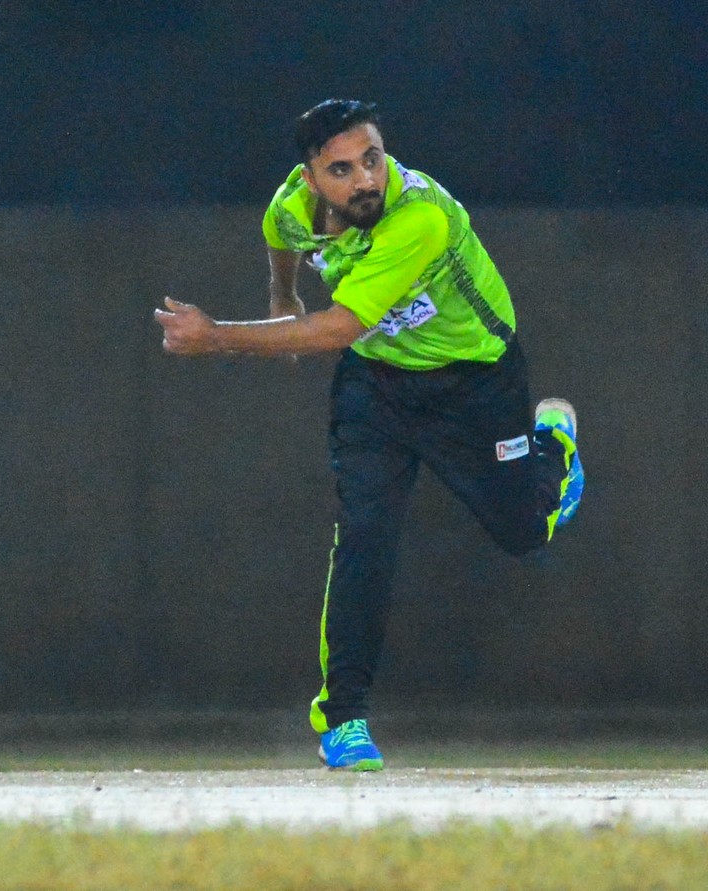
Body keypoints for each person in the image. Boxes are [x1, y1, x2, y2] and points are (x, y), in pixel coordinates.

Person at [153, 99, 583, 772]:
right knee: (365, 537)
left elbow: (340, 327)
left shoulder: (419, 219)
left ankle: (553, 446)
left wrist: (216, 338)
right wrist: (282, 296)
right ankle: (345, 718)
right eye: (342, 170)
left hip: (473, 384)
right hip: (378, 385)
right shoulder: (292, 207)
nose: (365, 181)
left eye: (373, 159)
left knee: (524, 530)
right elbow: (278, 236)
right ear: (311, 179)